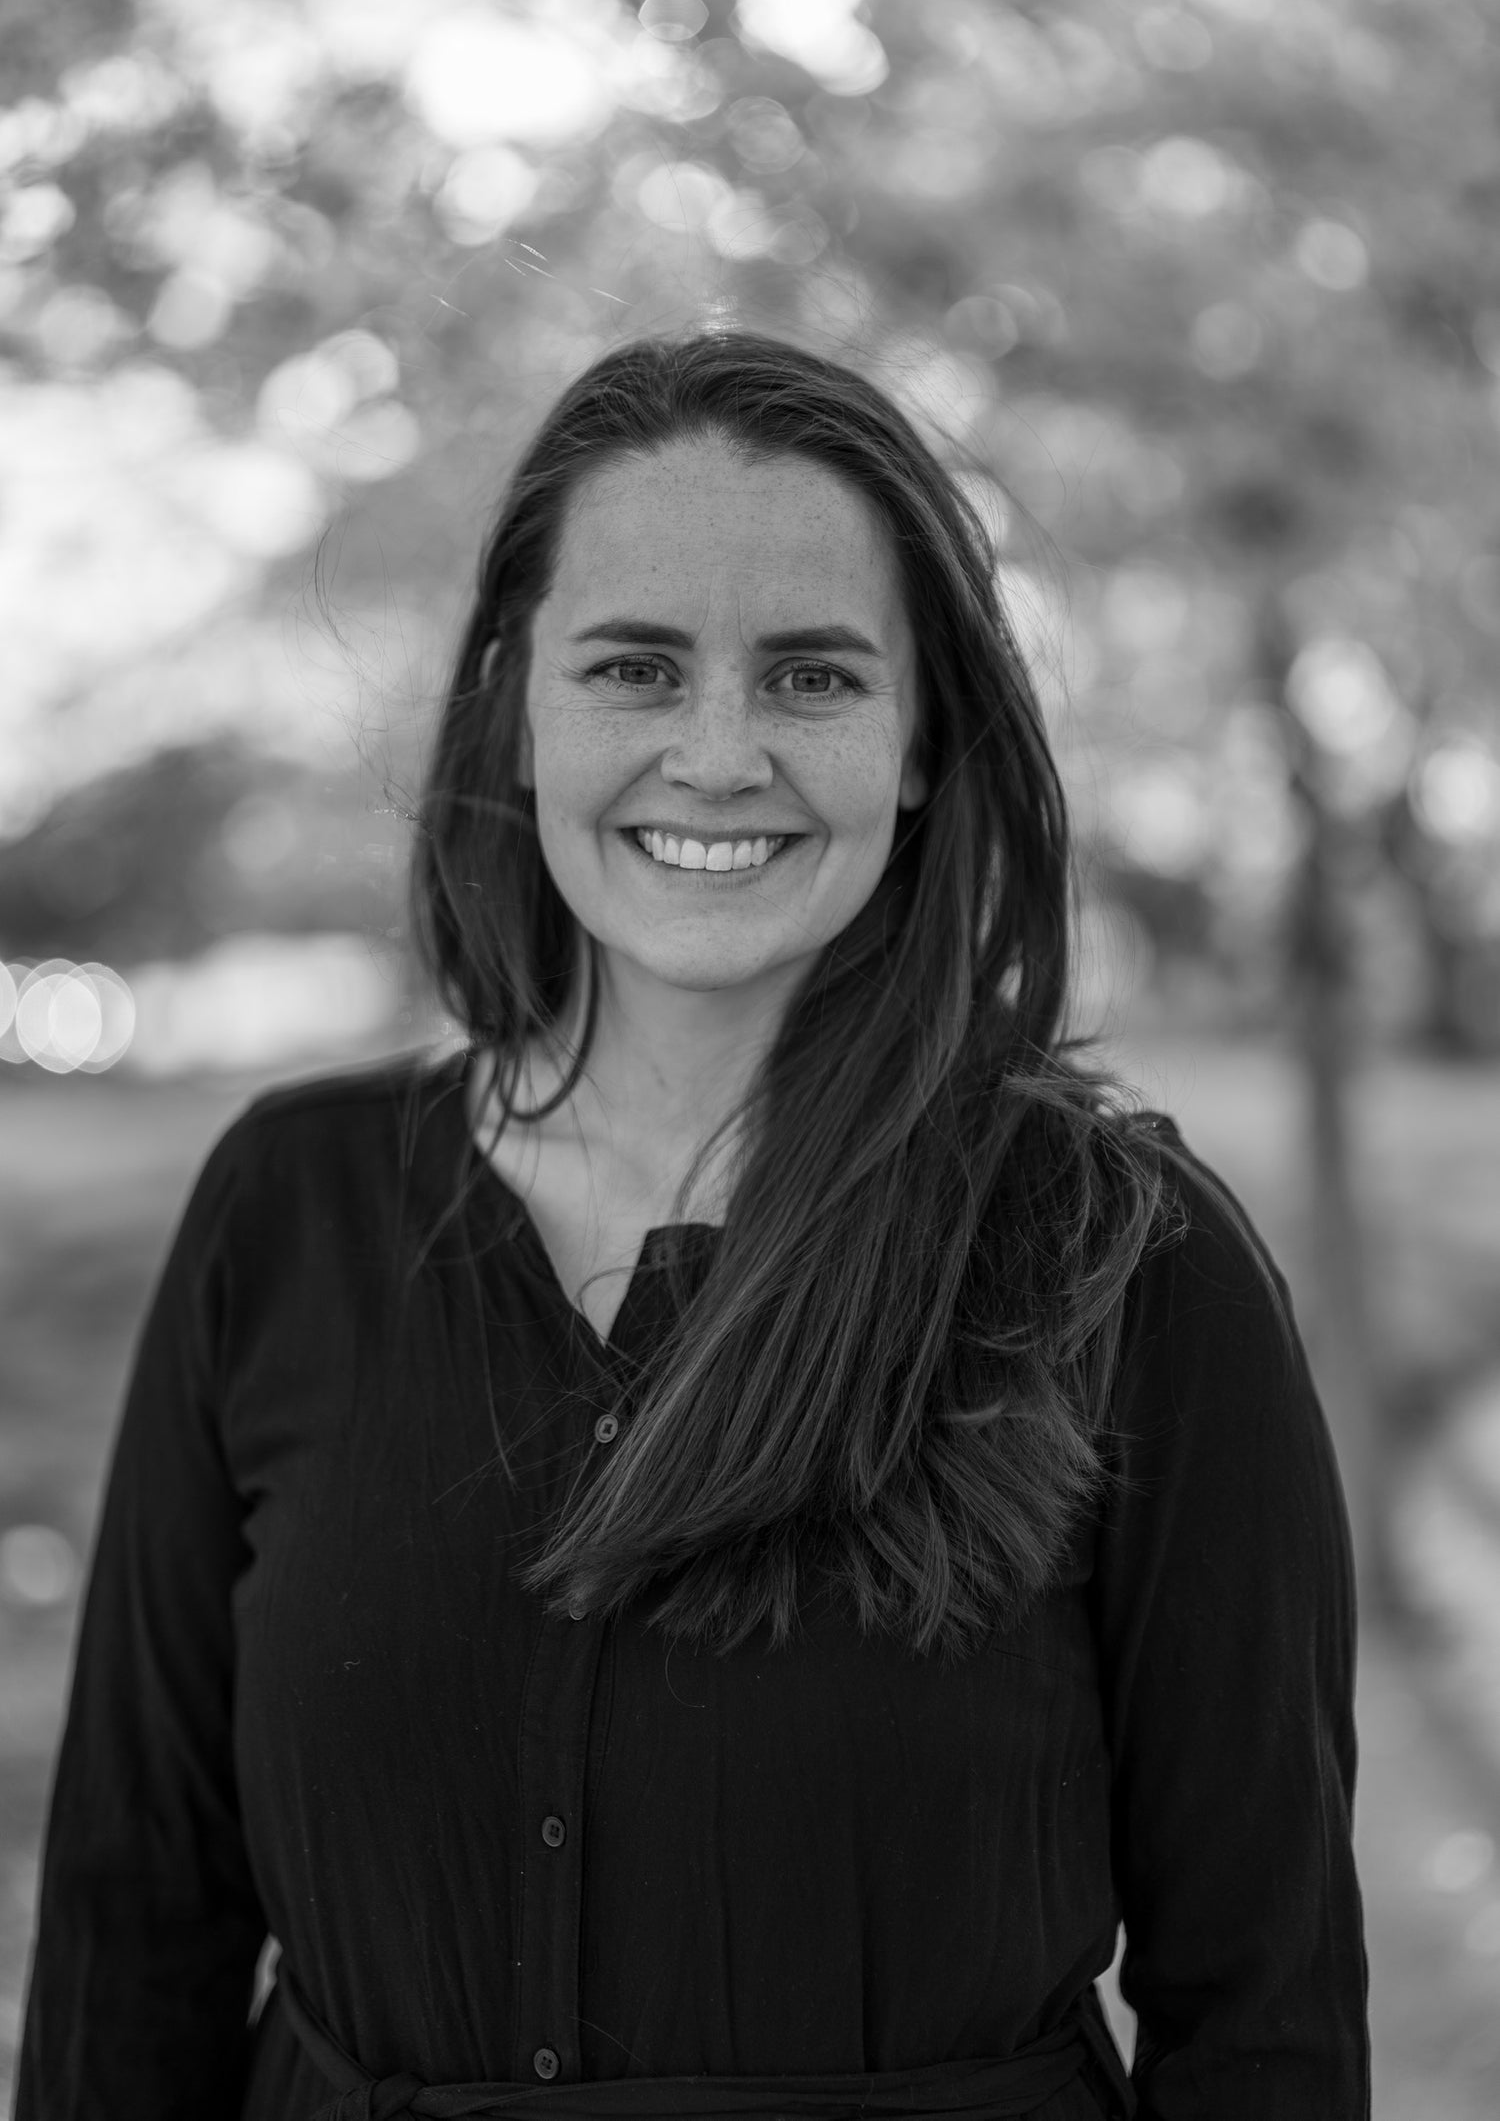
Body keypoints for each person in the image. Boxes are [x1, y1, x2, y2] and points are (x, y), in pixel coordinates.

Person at [16, 330, 1369, 2120]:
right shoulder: (287, 1206)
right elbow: (136, 1931)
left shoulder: (1128, 1265)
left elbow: (1263, 2013)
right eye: (635, 667)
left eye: (810, 676)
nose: (715, 754)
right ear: (518, 702)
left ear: (917, 742)